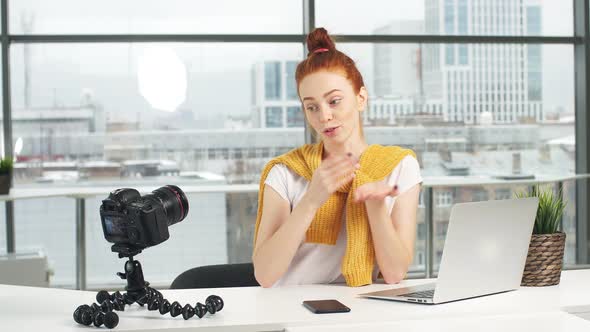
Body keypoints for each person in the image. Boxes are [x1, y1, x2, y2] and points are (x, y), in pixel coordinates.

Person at [252, 28, 422, 288]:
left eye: (334, 101)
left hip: (363, 311)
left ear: (361, 98)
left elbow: (394, 274)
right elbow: (264, 275)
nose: (324, 116)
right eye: (312, 107)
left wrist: (376, 207)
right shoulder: (285, 172)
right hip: (292, 310)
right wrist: (311, 201)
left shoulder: (400, 167)